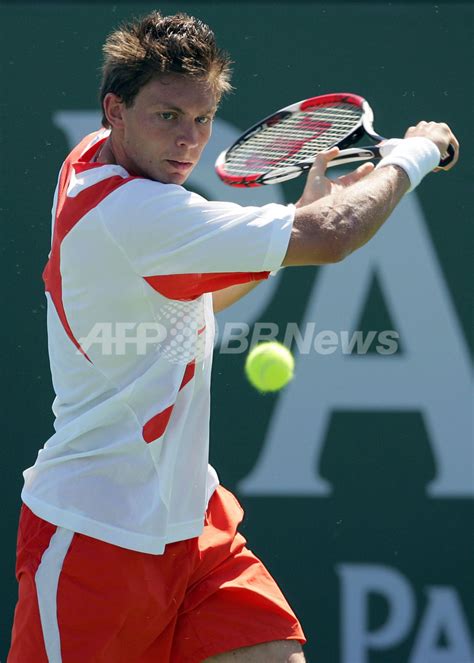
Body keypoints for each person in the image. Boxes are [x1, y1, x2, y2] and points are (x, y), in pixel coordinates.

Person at [7, 10, 458, 663]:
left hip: (194, 525)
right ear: (115, 110)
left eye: (201, 119)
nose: (188, 141)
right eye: (167, 116)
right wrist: (415, 153)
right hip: (94, 542)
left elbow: (199, 294)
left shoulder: (96, 162)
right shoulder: (132, 212)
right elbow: (331, 238)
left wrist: (303, 214)